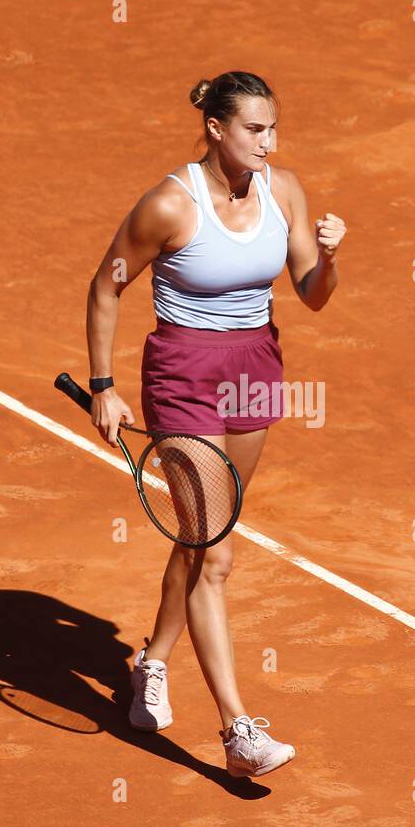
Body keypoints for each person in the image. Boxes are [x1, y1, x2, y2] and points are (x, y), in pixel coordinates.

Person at [82, 70, 346, 778]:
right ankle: (238, 732)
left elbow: (312, 295)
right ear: (217, 129)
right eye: (255, 129)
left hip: (255, 363)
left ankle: (153, 662)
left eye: (273, 128)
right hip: (184, 375)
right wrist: (104, 387)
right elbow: (106, 286)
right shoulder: (170, 205)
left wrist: (330, 254)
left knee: (204, 539)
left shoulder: (283, 190)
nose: (270, 141)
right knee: (218, 552)